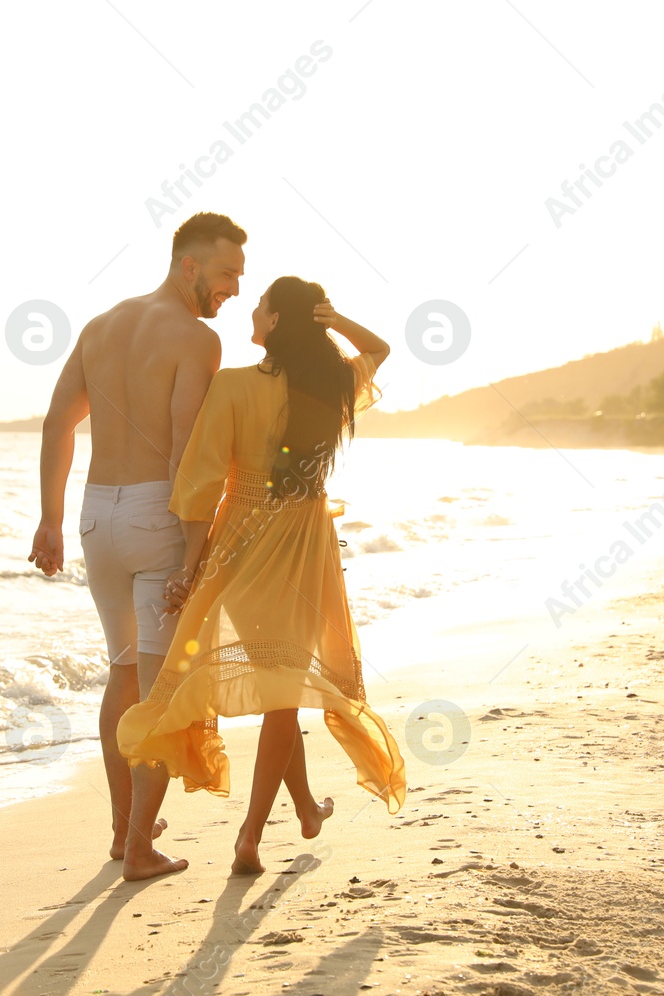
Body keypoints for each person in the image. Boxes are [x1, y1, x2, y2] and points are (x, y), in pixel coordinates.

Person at [116, 276, 407, 879]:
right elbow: (379, 351)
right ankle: (267, 827)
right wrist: (336, 320)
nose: (252, 309)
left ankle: (281, 818)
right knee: (282, 687)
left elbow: (199, 484)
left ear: (273, 322)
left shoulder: (232, 385)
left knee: (278, 682)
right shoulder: (329, 384)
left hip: (244, 543)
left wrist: (190, 567)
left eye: (262, 305)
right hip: (304, 544)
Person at [28, 212, 247, 872]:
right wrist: (194, 548)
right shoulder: (195, 339)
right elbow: (185, 450)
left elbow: (57, 423)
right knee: (158, 691)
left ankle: (124, 832)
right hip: (157, 513)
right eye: (227, 273)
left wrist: (49, 519)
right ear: (190, 267)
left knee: (121, 675)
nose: (234, 289)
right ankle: (141, 848)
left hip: (98, 517)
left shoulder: (99, 328)